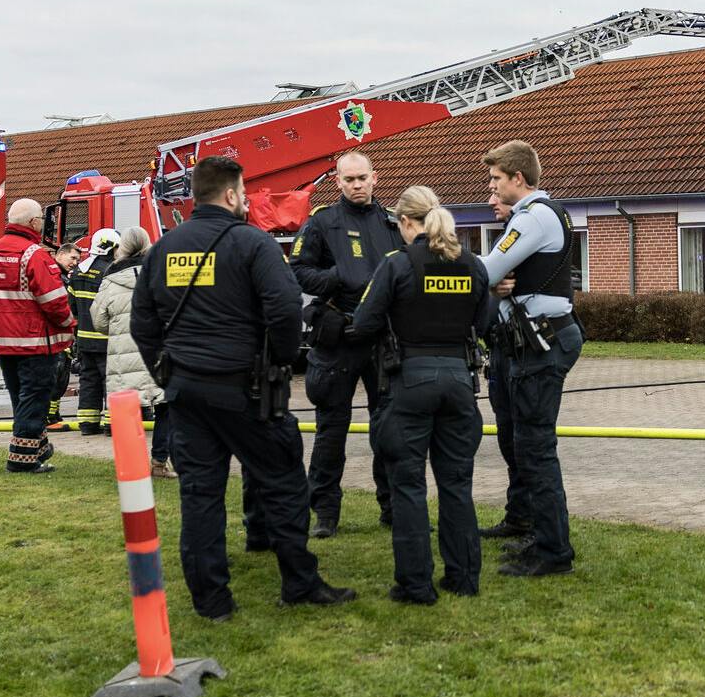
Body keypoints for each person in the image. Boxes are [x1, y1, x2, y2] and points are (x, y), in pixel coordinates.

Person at [131, 155, 355, 620]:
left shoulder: (164, 248)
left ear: (196, 193)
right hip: (248, 389)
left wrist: (166, 373)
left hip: (188, 392)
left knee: (200, 494)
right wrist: (278, 364)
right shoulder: (252, 243)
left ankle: (211, 602)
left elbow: (143, 323)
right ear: (233, 194)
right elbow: (284, 308)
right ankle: (299, 582)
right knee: (284, 482)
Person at [350, 186, 490, 603]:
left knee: (407, 485)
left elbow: (365, 320)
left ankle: (415, 585)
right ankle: (464, 576)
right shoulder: (473, 264)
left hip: (408, 383)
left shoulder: (397, 264)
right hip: (460, 384)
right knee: (456, 483)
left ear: (407, 223)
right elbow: (483, 322)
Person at [479, 139, 580, 577]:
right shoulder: (536, 215)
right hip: (531, 339)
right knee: (522, 442)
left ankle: (553, 550)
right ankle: (534, 531)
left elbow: (486, 270)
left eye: (497, 180)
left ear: (518, 179)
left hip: (541, 342)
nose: (493, 189)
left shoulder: (535, 217)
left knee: (536, 448)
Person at [289, 151, 404, 537]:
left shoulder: (392, 222)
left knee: (388, 427)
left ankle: (392, 508)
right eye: (349, 179)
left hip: (379, 339)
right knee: (330, 430)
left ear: (375, 178)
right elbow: (299, 271)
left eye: (362, 178)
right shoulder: (322, 223)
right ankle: (325, 513)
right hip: (338, 336)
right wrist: (338, 277)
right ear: (338, 181)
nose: (356, 185)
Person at [0, 199, 75, 474]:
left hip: (3, 342)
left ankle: (40, 447)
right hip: (34, 343)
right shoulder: (35, 255)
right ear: (33, 222)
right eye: (41, 220)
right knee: (35, 398)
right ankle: (21, 459)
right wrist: (69, 323)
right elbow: (54, 301)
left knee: (20, 397)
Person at [90, 227, 174, 478]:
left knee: (127, 411)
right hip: (158, 352)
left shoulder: (110, 279)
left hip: (122, 354)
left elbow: (99, 321)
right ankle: (160, 461)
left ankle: (131, 465)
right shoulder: (162, 273)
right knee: (165, 408)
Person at [68, 227, 121, 435]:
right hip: (106, 337)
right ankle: (112, 424)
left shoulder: (79, 271)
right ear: (110, 248)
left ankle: (88, 424)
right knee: (111, 380)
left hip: (84, 339)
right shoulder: (111, 270)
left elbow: (71, 306)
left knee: (88, 380)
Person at [46, 243, 80, 431]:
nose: (75, 263)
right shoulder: (54, 276)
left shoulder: (63, 277)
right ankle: (48, 418)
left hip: (62, 337)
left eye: (77, 259)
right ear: (60, 255)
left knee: (61, 378)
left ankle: (52, 415)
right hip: (54, 337)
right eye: (72, 258)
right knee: (55, 376)